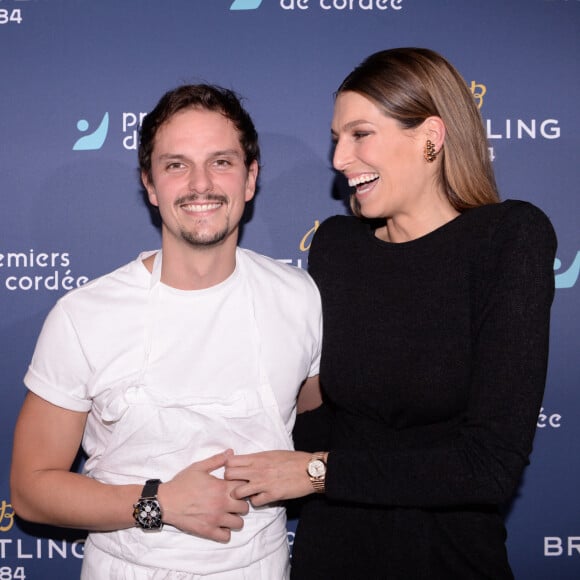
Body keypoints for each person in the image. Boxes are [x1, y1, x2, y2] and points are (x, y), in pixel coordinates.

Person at [223, 48, 557, 579]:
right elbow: (333, 419)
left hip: (448, 558)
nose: (337, 160)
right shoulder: (337, 246)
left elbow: (488, 466)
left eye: (360, 135)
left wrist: (314, 473)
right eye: (337, 139)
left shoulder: (507, 239)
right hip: (331, 554)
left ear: (430, 135)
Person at [10, 84, 322, 579]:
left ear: (250, 178)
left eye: (221, 161)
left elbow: (325, 421)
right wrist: (159, 502)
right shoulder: (85, 315)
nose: (201, 184)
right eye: (176, 165)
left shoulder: (300, 298)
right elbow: (30, 489)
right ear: (151, 186)